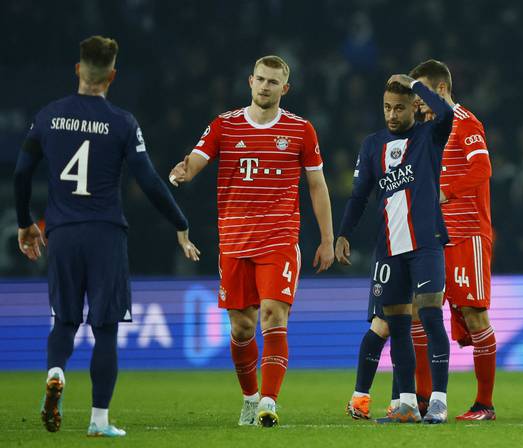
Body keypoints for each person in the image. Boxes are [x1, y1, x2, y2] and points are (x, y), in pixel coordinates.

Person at [13, 36, 200, 438]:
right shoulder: (121, 122)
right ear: (112, 76)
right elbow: (149, 181)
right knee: (106, 330)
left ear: (78, 70)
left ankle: (56, 371)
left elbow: (20, 173)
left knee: (64, 322)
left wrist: (25, 221)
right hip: (105, 235)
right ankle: (98, 421)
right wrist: (180, 222)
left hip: (61, 233)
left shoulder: (48, 116)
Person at [168, 55, 335, 427]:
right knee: (242, 328)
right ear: (250, 82)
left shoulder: (300, 130)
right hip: (234, 241)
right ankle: (249, 398)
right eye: (260, 79)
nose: (265, 86)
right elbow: (198, 157)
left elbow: (316, 184)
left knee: (275, 316)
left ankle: (269, 403)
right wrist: (186, 170)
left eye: (273, 82)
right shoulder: (224, 125)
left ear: (284, 89)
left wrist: (327, 238)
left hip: (278, 238)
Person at [337, 73, 452, 424]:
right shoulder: (373, 145)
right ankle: (405, 405)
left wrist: (417, 85)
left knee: (430, 316)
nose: (391, 114)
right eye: (387, 107)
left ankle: (438, 402)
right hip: (390, 248)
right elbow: (359, 197)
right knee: (398, 328)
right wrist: (343, 234)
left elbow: (446, 114)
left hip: (426, 243)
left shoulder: (429, 136)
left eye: (399, 108)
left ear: (414, 109)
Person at [411, 60, 496, 421]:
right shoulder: (429, 131)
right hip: (433, 238)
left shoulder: (466, 122)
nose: (418, 104)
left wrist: (447, 192)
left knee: (474, 315)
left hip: (467, 235)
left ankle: (484, 404)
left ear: (441, 90)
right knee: (421, 312)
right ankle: (421, 398)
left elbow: (482, 168)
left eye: (422, 95)